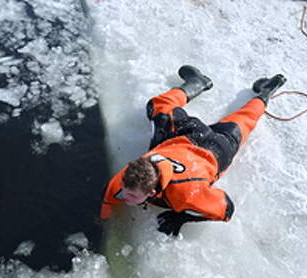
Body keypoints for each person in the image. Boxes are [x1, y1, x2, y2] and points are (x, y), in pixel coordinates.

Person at [100, 65, 286, 236]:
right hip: (187, 134)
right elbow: (110, 196)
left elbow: (226, 209)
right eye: (126, 190)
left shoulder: (186, 196)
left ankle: (266, 91)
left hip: (217, 150)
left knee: (246, 119)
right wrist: (103, 219)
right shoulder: (128, 177)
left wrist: (181, 217)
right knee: (159, 107)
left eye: (131, 195)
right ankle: (197, 83)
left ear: (150, 194)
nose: (124, 195)